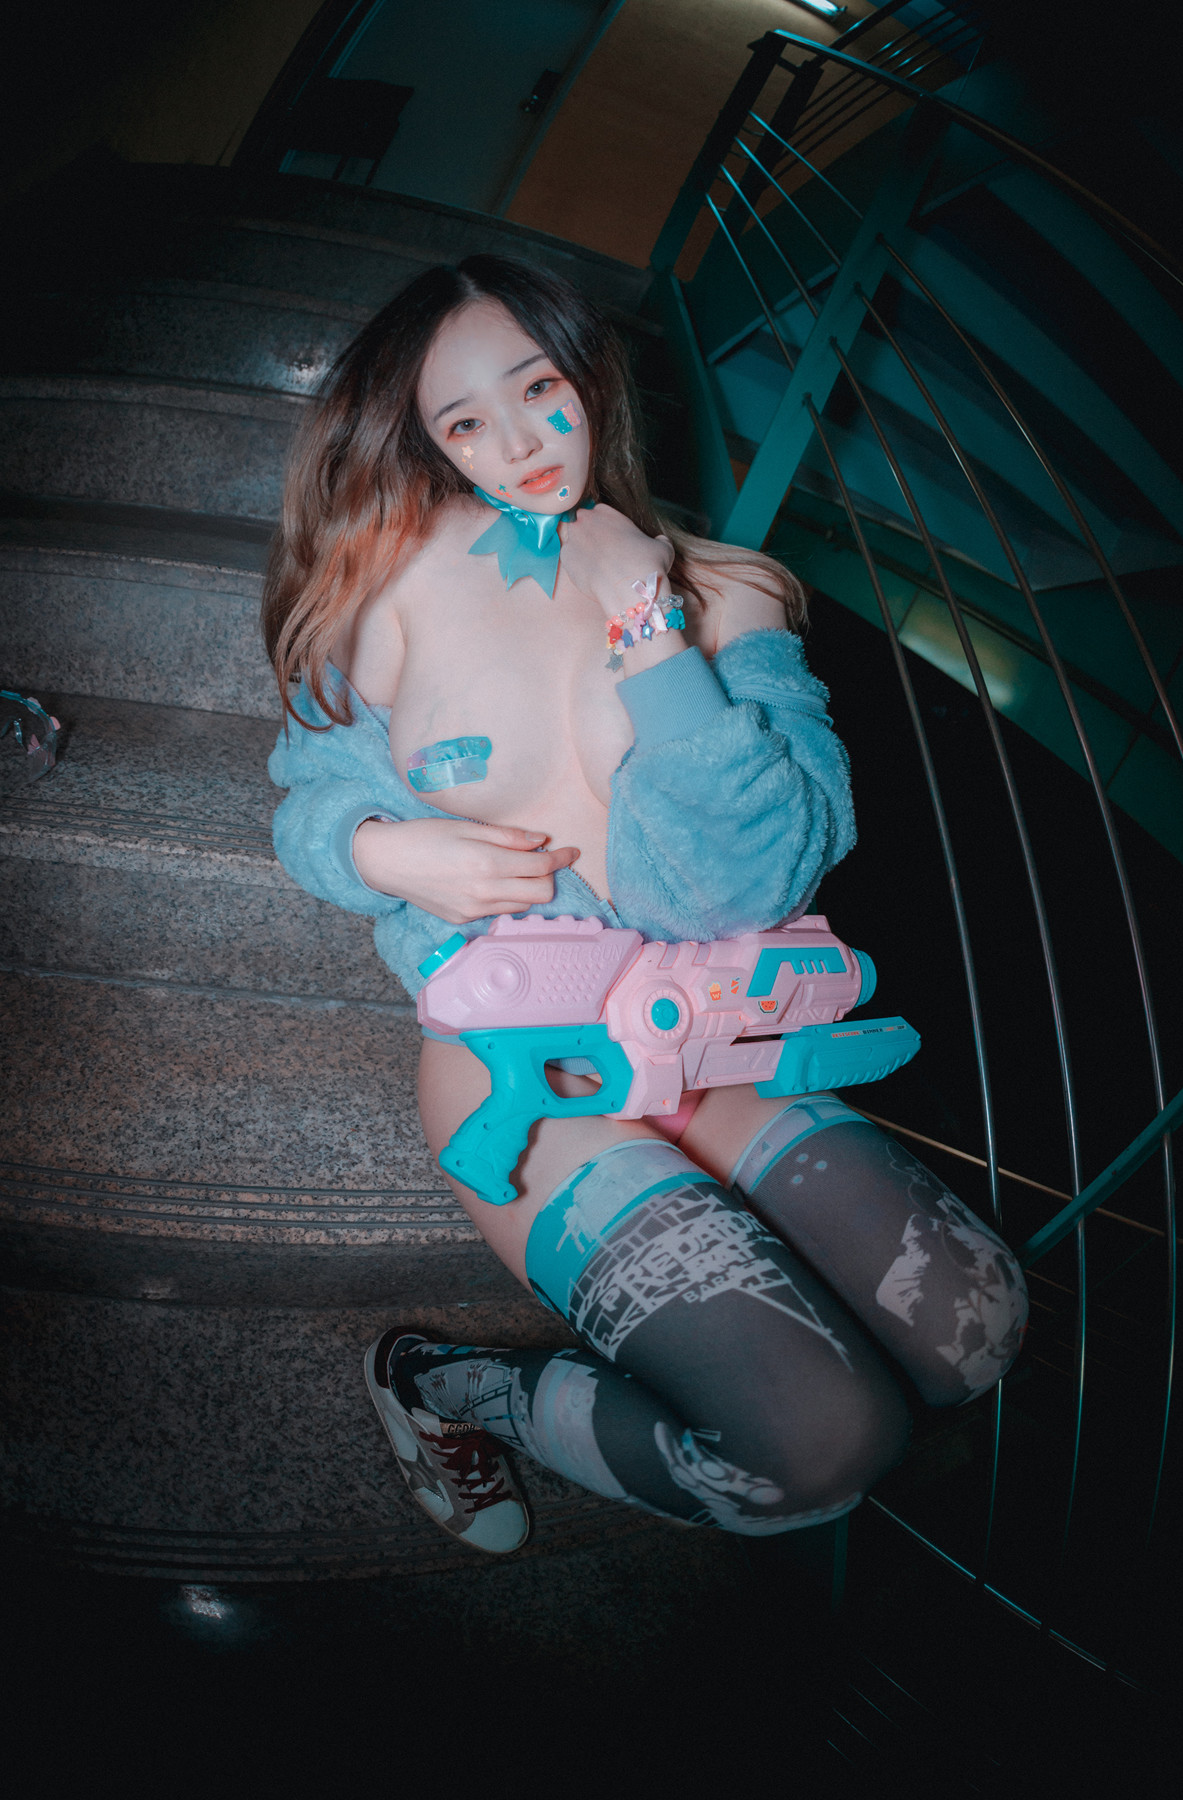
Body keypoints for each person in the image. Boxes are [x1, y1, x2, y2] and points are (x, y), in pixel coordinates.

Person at [264, 255, 1028, 1555]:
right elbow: (311, 798)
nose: (516, 443)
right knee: (815, 1451)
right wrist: (386, 848)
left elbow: (750, 880)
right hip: (523, 1070)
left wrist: (649, 631)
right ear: (429, 442)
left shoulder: (733, 594)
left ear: (589, 383)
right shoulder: (390, 589)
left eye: (537, 390)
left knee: (978, 1330)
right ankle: (448, 1386)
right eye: (465, 421)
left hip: (711, 1043)